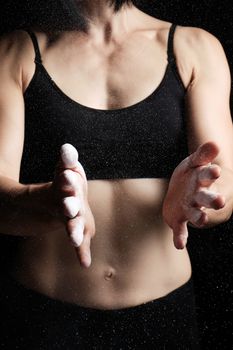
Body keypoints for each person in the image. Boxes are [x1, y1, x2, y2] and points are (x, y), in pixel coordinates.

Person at [0, 0, 233, 348]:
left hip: (163, 317)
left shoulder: (194, 47)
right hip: (46, 317)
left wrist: (198, 196)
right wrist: (51, 203)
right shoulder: (15, 51)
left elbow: (225, 183)